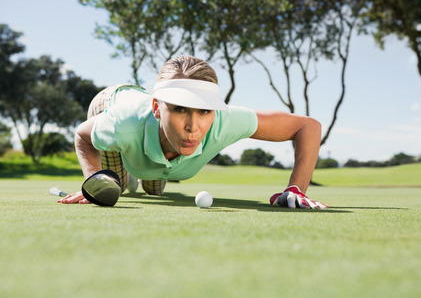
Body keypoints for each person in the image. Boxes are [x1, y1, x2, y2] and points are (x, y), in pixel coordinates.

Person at [58, 55, 327, 209]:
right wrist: (91, 179)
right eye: (179, 109)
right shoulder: (122, 124)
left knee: (153, 189)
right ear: (158, 108)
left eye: (204, 111)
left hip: (146, 124)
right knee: (112, 185)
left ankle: (132, 175)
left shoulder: (225, 121)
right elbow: (83, 135)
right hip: (111, 101)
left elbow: (308, 126)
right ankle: (122, 177)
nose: (192, 126)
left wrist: (296, 189)